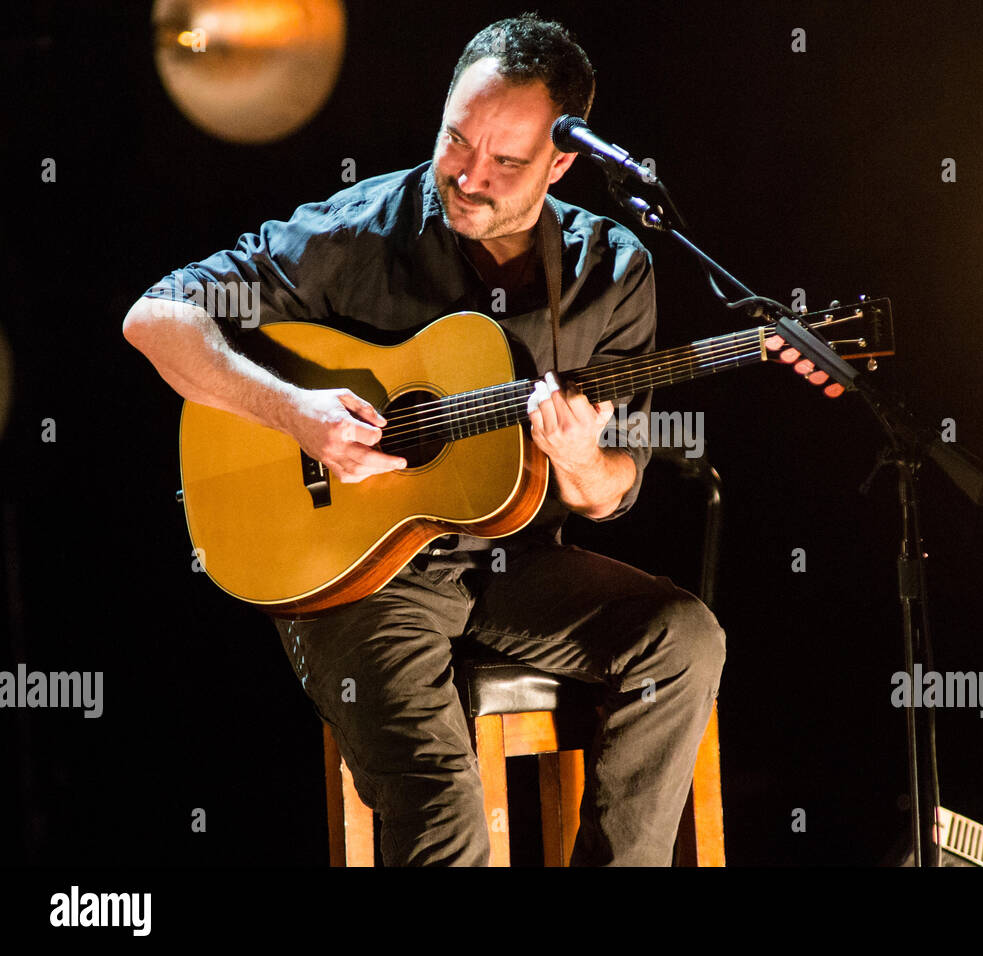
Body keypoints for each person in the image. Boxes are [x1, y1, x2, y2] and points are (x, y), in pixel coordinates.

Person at [122, 14, 728, 866]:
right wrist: (298, 414)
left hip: (512, 562)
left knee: (685, 639)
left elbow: (605, 493)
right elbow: (156, 317)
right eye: (456, 140)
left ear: (560, 166)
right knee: (445, 814)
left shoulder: (614, 269)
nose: (469, 176)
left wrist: (580, 455)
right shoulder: (354, 232)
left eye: (507, 162)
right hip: (355, 578)